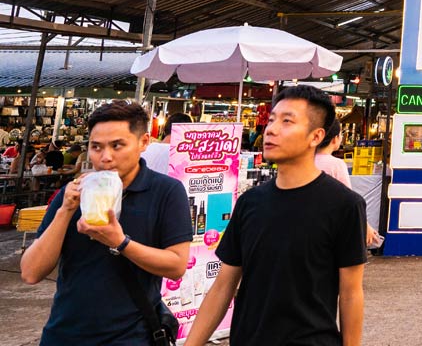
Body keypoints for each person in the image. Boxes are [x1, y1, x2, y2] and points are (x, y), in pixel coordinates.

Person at [186, 84, 367, 346]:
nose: (270, 129)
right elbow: (224, 286)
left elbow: (350, 293)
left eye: (287, 121)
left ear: (315, 137)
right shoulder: (250, 203)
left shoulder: (345, 205)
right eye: (271, 120)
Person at [20, 101, 193, 344]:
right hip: (64, 334)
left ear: (144, 142)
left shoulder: (165, 191)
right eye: (96, 147)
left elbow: (176, 265)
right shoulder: (74, 193)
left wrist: (120, 242)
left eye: (117, 145)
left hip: (131, 338)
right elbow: (30, 273)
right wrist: (66, 210)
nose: (105, 157)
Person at [315, 122, 381, 248]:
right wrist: (365, 226)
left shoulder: (305, 161)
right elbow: (349, 200)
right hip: (329, 223)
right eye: (340, 135)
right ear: (335, 139)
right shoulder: (337, 165)